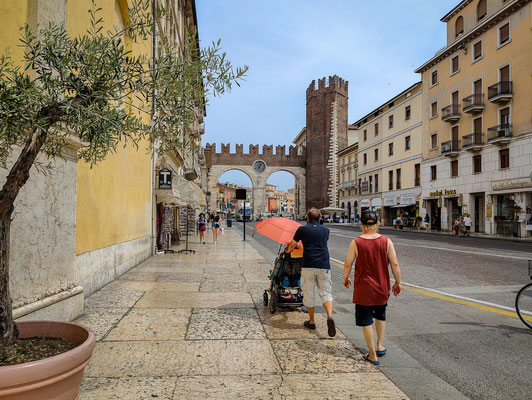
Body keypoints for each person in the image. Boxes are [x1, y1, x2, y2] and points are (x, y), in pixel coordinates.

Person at [343, 210, 401, 366]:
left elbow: (348, 263)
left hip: (363, 288)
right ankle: (380, 345)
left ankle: (372, 355)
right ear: (377, 224)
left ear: (361, 224)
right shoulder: (386, 241)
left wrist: (346, 277)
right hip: (382, 287)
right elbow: (394, 264)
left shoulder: (356, 242)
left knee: (366, 319)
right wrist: (398, 282)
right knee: (380, 315)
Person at [285, 208, 336, 337]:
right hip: (324, 264)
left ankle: (312, 322)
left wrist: (288, 251)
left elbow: (293, 243)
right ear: (319, 218)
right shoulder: (326, 230)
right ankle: (329, 316)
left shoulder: (302, 229)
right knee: (326, 293)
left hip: (308, 265)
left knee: (309, 293)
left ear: (307, 218)